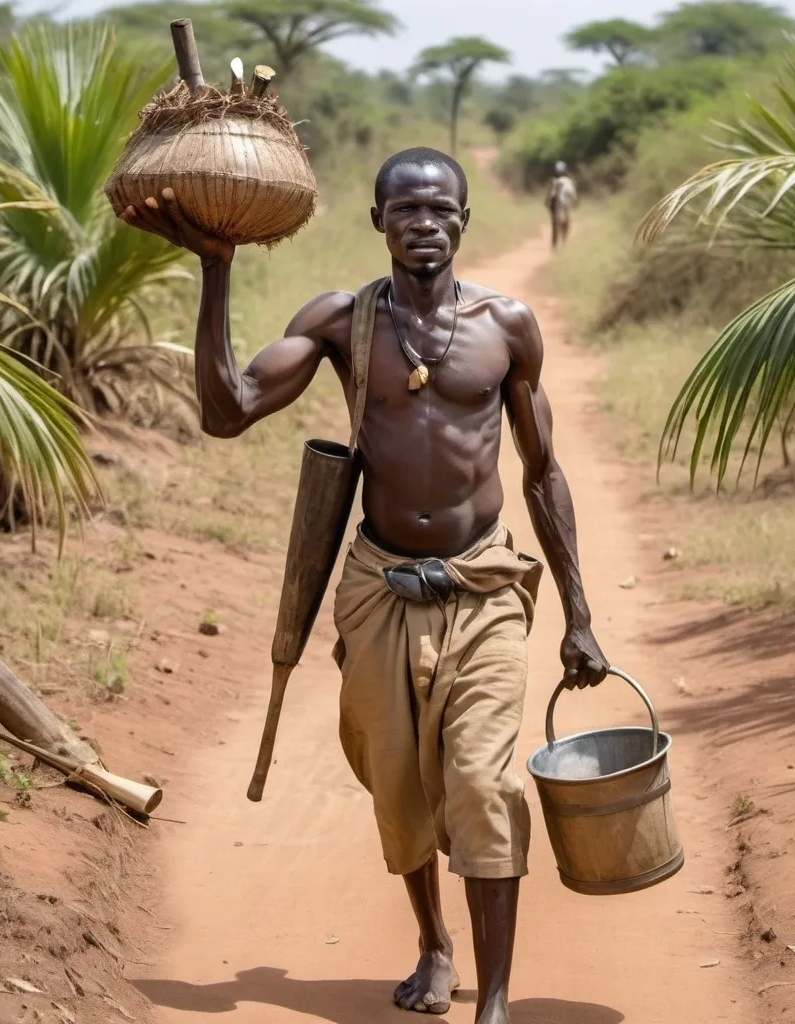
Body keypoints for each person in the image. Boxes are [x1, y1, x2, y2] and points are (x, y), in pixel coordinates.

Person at [119, 146, 609, 1024]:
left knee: (484, 782)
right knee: (402, 782)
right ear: (377, 222)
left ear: (464, 219)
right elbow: (226, 411)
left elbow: (542, 474)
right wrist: (216, 273)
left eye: (441, 209)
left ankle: (494, 1000)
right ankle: (433, 944)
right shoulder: (345, 321)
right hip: (380, 584)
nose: (425, 223)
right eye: (406, 209)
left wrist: (578, 612)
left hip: (483, 582)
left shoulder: (508, 325)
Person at [546, 160, 577, 249]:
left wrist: (549, 204)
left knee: (555, 225)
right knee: (566, 223)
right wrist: (575, 202)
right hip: (566, 205)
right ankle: (564, 242)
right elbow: (573, 195)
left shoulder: (555, 181)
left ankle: (554, 244)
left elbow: (552, 195)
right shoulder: (569, 181)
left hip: (557, 206)